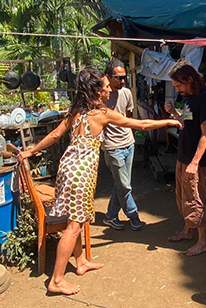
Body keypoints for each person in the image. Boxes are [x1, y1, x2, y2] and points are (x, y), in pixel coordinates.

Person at [18, 68, 182, 295]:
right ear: (95, 90)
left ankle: (81, 261)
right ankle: (56, 280)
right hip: (81, 172)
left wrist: (31, 151)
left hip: (68, 168)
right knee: (74, 225)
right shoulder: (102, 113)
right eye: (105, 85)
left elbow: (56, 135)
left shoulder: (76, 110)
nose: (109, 88)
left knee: (75, 218)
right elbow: (140, 125)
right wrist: (167, 122)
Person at [164, 59, 206, 257]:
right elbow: (186, 124)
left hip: (194, 160)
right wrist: (174, 113)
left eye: (179, 85)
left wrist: (194, 163)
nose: (177, 89)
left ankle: (203, 241)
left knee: (195, 199)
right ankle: (187, 230)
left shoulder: (205, 99)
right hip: (183, 155)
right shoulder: (188, 98)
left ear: (190, 80)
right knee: (183, 197)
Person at [101, 59, 142, 231]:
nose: (122, 81)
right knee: (124, 185)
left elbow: (128, 116)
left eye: (124, 77)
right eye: (118, 78)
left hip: (128, 144)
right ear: (108, 77)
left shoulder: (126, 93)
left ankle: (110, 216)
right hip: (112, 148)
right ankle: (133, 215)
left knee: (122, 183)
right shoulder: (101, 96)